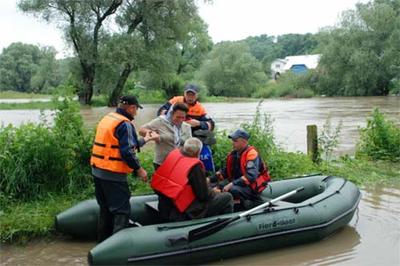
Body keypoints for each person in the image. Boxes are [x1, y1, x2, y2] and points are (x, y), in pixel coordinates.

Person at [90, 95, 159, 242]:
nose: (136, 113)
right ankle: (116, 248)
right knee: (121, 211)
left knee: (106, 210)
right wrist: (139, 169)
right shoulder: (125, 124)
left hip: (98, 171)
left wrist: (145, 139)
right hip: (113, 174)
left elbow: (121, 145)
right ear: (131, 108)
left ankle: (102, 243)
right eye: (136, 109)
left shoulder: (109, 118)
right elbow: (127, 152)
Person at [151, 137, 234, 222]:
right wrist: (214, 192)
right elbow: (203, 196)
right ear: (198, 152)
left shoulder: (173, 155)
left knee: (211, 187)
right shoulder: (195, 166)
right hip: (185, 212)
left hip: (165, 205)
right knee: (227, 197)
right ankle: (225, 226)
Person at [157, 83, 216, 172]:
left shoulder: (199, 108)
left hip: (188, 137)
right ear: (184, 93)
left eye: (193, 95)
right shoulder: (175, 100)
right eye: (188, 94)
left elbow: (211, 124)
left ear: (197, 96)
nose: (190, 97)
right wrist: (173, 119)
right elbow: (161, 112)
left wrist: (198, 123)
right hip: (172, 132)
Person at [211, 129, 271, 210]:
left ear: (244, 142)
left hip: (252, 186)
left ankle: (244, 206)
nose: (232, 143)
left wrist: (232, 184)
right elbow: (225, 171)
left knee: (233, 189)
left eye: (235, 141)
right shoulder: (234, 154)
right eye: (232, 140)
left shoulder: (251, 154)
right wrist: (211, 179)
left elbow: (251, 176)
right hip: (240, 183)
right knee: (217, 185)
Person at [139, 102, 192, 169]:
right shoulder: (160, 121)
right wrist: (154, 135)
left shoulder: (187, 127)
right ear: (171, 113)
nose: (180, 120)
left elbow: (190, 145)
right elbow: (141, 130)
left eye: (183, 117)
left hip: (179, 163)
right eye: (178, 117)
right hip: (162, 163)